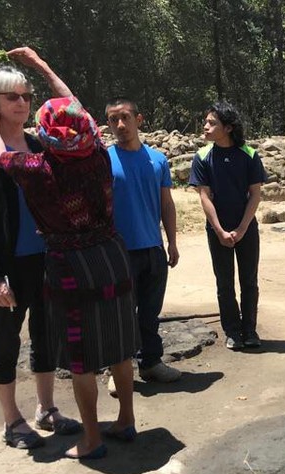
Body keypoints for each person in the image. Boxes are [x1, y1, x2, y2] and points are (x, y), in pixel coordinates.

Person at [0, 47, 139, 460]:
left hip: (71, 266)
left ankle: (91, 438)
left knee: (83, 357)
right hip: (111, 254)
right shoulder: (99, 154)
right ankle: (126, 418)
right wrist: (42, 66)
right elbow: (77, 108)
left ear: (47, 131)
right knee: (122, 346)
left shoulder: (38, 167)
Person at [0, 61, 81, 451]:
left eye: (27, 96)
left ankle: (46, 409)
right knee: (6, 341)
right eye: (12, 96)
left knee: (46, 338)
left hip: (45, 261)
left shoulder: (38, 145)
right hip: (8, 268)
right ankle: (12, 421)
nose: (22, 103)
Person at [105, 98, 181, 386]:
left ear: (140, 119)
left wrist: (171, 242)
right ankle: (119, 371)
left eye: (125, 117)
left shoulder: (157, 160)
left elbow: (167, 204)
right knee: (121, 315)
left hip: (152, 249)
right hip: (118, 252)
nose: (120, 125)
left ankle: (150, 363)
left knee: (150, 312)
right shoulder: (104, 160)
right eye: (114, 119)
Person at [189, 102, 267, 349]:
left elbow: (255, 194)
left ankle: (250, 330)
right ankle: (232, 331)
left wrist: (243, 228)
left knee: (249, 281)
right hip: (217, 231)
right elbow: (204, 196)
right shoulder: (202, 157)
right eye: (206, 121)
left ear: (228, 127)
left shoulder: (249, 155)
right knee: (224, 282)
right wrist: (220, 230)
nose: (206, 126)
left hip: (247, 228)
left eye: (212, 123)